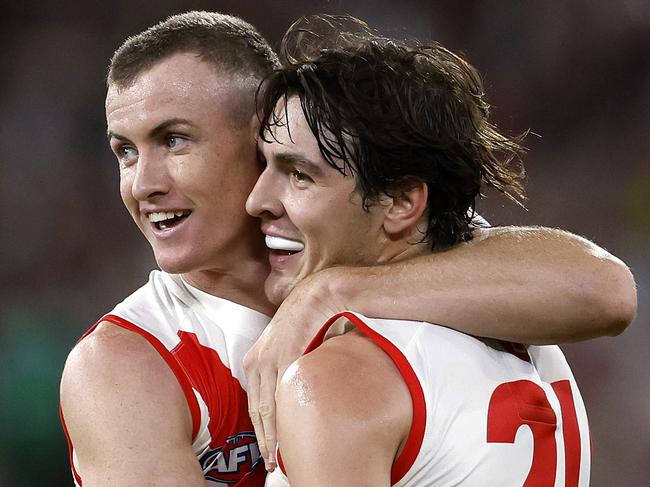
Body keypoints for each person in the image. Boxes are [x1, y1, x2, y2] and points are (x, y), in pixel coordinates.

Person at [58, 11, 636, 487]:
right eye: (124, 152)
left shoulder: (390, 258)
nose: (142, 183)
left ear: (264, 134)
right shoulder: (127, 366)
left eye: (175, 140)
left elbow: (604, 288)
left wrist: (331, 293)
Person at [247, 16, 594, 486]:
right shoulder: (517, 316)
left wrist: (329, 292)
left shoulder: (335, 382)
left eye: (299, 174)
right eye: (263, 165)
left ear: (403, 202)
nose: (257, 201)